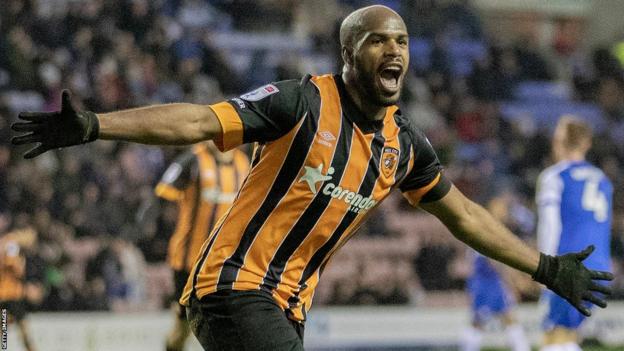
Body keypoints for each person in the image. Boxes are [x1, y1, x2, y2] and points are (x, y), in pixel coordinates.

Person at [11, 5, 613, 351]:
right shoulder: (299, 102)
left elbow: (465, 215)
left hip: (288, 305)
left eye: (402, 40)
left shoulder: (404, 145)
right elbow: (198, 120)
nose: (395, 50)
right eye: (379, 40)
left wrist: (546, 268)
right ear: (349, 55)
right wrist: (94, 125)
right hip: (233, 287)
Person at [137, 142, 249, 351]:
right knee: (184, 327)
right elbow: (160, 195)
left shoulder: (244, 164)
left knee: (230, 323)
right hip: (188, 263)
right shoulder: (193, 159)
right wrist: (145, 229)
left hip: (225, 263)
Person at [536, 116, 613, 351]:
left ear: (558, 142)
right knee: (568, 335)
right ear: (586, 143)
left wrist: (544, 268)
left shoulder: (554, 177)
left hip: (568, 266)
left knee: (554, 337)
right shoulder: (603, 180)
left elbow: (550, 226)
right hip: (599, 267)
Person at [460, 192, 530, 351]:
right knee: (484, 320)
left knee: (499, 317)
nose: (503, 210)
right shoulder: (487, 226)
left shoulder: (490, 225)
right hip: (486, 279)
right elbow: (493, 259)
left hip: (487, 279)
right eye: (500, 206)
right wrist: (512, 282)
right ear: (492, 207)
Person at [0, 227, 41, 351]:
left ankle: (4, 347)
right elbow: (12, 264)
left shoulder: (9, 243)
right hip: (10, 295)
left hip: (8, 295)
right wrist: (20, 266)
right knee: (18, 328)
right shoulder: (12, 243)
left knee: (5, 328)